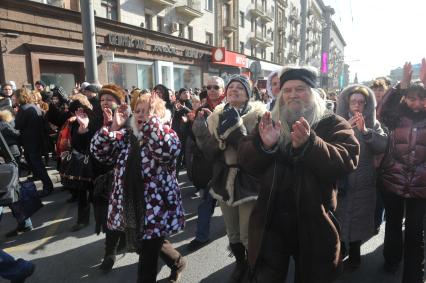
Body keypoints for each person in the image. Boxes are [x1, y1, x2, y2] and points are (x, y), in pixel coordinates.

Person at [238, 66, 360, 283]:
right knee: (266, 276)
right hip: (272, 218)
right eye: (287, 90)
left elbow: (347, 160)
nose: (293, 95)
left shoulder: (332, 122)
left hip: (314, 220)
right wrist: (263, 146)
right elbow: (246, 162)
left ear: (313, 92)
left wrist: (311, 145)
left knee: (314, 275)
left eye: (300, 89)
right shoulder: (270, 120)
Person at [90, 93, 186, 282]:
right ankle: (178, 262)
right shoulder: (127, 137)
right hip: (130, 205)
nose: (142, 115)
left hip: (155, 209)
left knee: (147, 260)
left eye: (148, 111)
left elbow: (165, 150)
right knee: (150, 243)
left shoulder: (167, 134)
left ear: (159, 114)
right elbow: (100, 154)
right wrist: (114, 127)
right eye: (138, 111)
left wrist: (151, 124)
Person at [192, 75, 267, 282]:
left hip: (249, 181)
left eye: (240, 88)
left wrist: (237, 131)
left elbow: (260, 151)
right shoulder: (217, 114)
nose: (234, 90)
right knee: (232, 231)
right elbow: (208, 151)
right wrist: (215, 139)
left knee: (246, 234)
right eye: (231, 86)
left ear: (248, 93)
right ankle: (240, 265)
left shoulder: (260, 115)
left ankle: (253, 268)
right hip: (224, 180)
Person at [379, 60, 426, 283]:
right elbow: (383, 110)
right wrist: (401, 86)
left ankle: (414, 277)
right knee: (394, 225)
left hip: (422, 184)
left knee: (416, 233)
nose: (417, 103)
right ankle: (391, 260)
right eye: (412, 98)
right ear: (406, 99)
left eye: (422, 98)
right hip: (393, 180)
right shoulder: (397, 115)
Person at [335, 85, 387, 269]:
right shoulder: (336, 121)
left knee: (358, 219)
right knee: (339, 218)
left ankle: (355, 255)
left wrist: (366, 131)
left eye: (361, 102)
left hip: (364, 181)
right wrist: (345, 128)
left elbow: (382, 145)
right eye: (353, 101)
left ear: (366, 104)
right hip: (341, 180)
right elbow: (326, 144)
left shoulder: (373, 123)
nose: (357, 105)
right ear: (347, 103)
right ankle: (340, 252)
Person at [186, 76, 225, 252]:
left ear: (223, 90)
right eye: (208, 87)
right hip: (208, 165)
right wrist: (189, 124)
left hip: (228, 164)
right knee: (206, 202)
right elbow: (191, 138)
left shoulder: (231, 108)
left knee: (232, 205)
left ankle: (238, 243)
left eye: (215, 87)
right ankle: (201, 236)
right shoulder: (200, 109)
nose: (211, 90)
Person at [14, 88, 54, 198]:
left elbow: (17, 125)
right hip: (36, 139)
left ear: (19, 97)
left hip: (30, 140)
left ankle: (48, 186)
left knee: (37, 164)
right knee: (33, 162)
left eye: (14, 96)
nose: (13, 98)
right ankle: (36, 176)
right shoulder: (33, 106)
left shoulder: (24, 109)